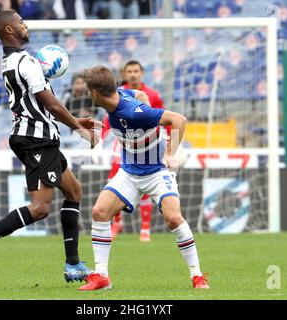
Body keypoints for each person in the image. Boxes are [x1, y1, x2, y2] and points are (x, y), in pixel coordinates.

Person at [0, 10, 99, 283]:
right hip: (36, 139)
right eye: (20, 22)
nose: (25, 25)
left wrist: (72, 119)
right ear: (8, 30)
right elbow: (51, 104)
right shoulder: (25, 62)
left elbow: (45, 106)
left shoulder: (12, 61)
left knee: (73, 190)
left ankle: (73, 265)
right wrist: (78, 128)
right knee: (40, 208)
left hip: (40, 136)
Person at [79, 65, 209, 290]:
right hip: (129, 172)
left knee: (173, 218)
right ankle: (101, 276)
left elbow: (179, 120)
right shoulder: (122, 94)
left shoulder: (133, 112)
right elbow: (140, 94)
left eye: (88, 90)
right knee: (100, 212)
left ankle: (197, 276)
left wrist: (170, 153)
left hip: (158, 171)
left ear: (94, 93)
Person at [107, 60, 169, 242]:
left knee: (146, 180)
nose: (133, 74)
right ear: (125, 74)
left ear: (142, 73)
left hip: (147, 143)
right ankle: (117, 222)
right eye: (129, 71)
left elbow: (161, 118)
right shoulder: (117, 94)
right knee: (116, 178)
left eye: (136, 71)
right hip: (123, 142)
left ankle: (145, 228)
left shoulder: (152, 95)